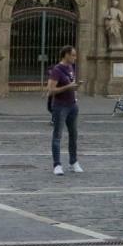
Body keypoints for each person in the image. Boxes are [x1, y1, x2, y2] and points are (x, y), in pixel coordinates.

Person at [46, 45, 82, 176]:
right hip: (60, 106)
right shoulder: (57, 70)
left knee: (74, 135)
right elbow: (50, 90)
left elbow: (71, 86)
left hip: (72, 105)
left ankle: (73, 162)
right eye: (73, 55)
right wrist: (68, 86)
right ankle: (57, 165)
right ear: (66, 55)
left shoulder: (71, 68)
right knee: (57, 136)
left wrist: (75, 87)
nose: (75, 57)